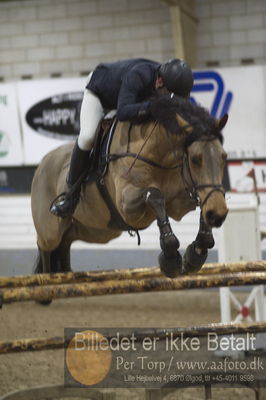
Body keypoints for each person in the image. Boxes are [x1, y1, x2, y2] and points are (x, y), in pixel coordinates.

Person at [50, 58, 194, 218]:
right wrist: (153, 106)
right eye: (169, 97)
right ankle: (70, 196)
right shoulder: (138, 76)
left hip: (127, 96)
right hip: (101, 93)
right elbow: (123, 112)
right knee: (87, 136)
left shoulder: (167, 82)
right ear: (160, 83)